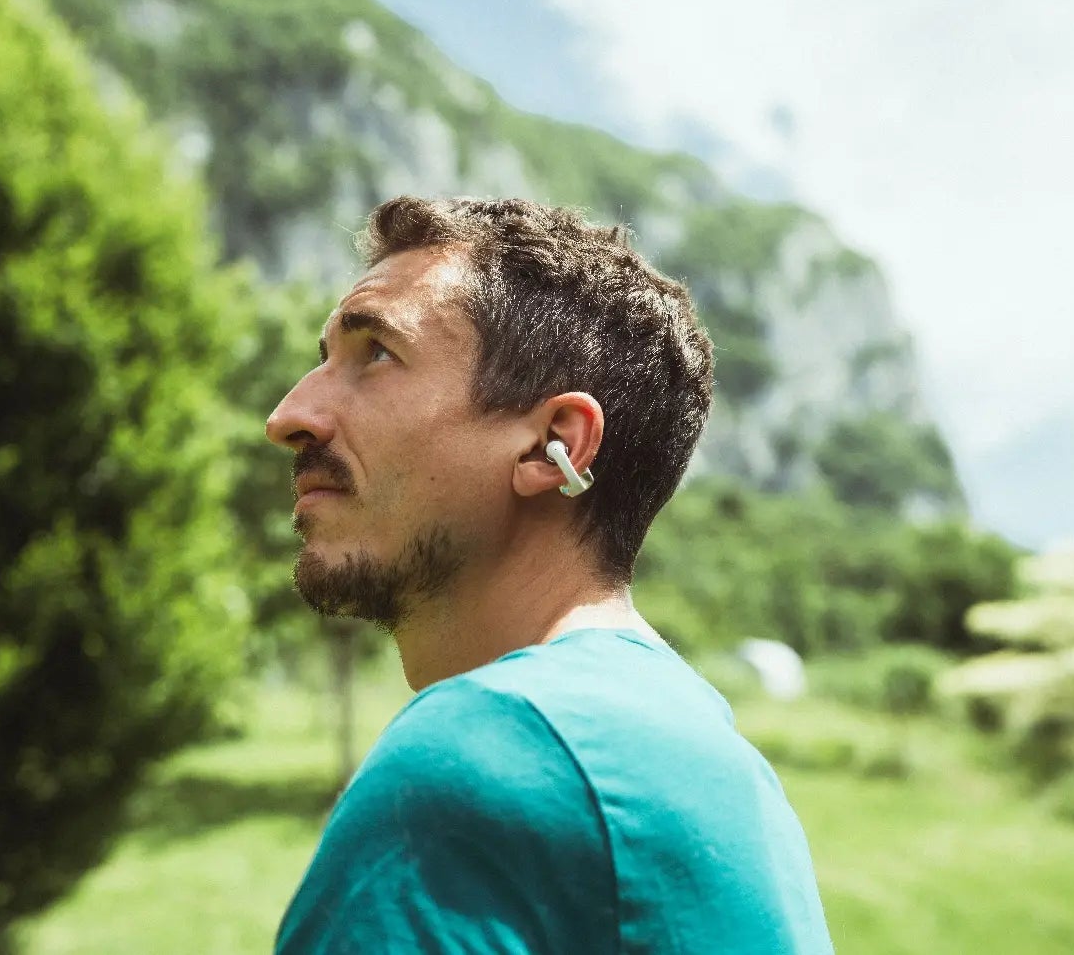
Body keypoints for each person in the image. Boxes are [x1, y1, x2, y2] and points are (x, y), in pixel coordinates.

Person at [266, 196, 835, 954]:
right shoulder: (705, 747)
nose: (288, 416)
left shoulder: (484, 754)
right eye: (323, 358)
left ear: (552, 446)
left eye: (377, 354)